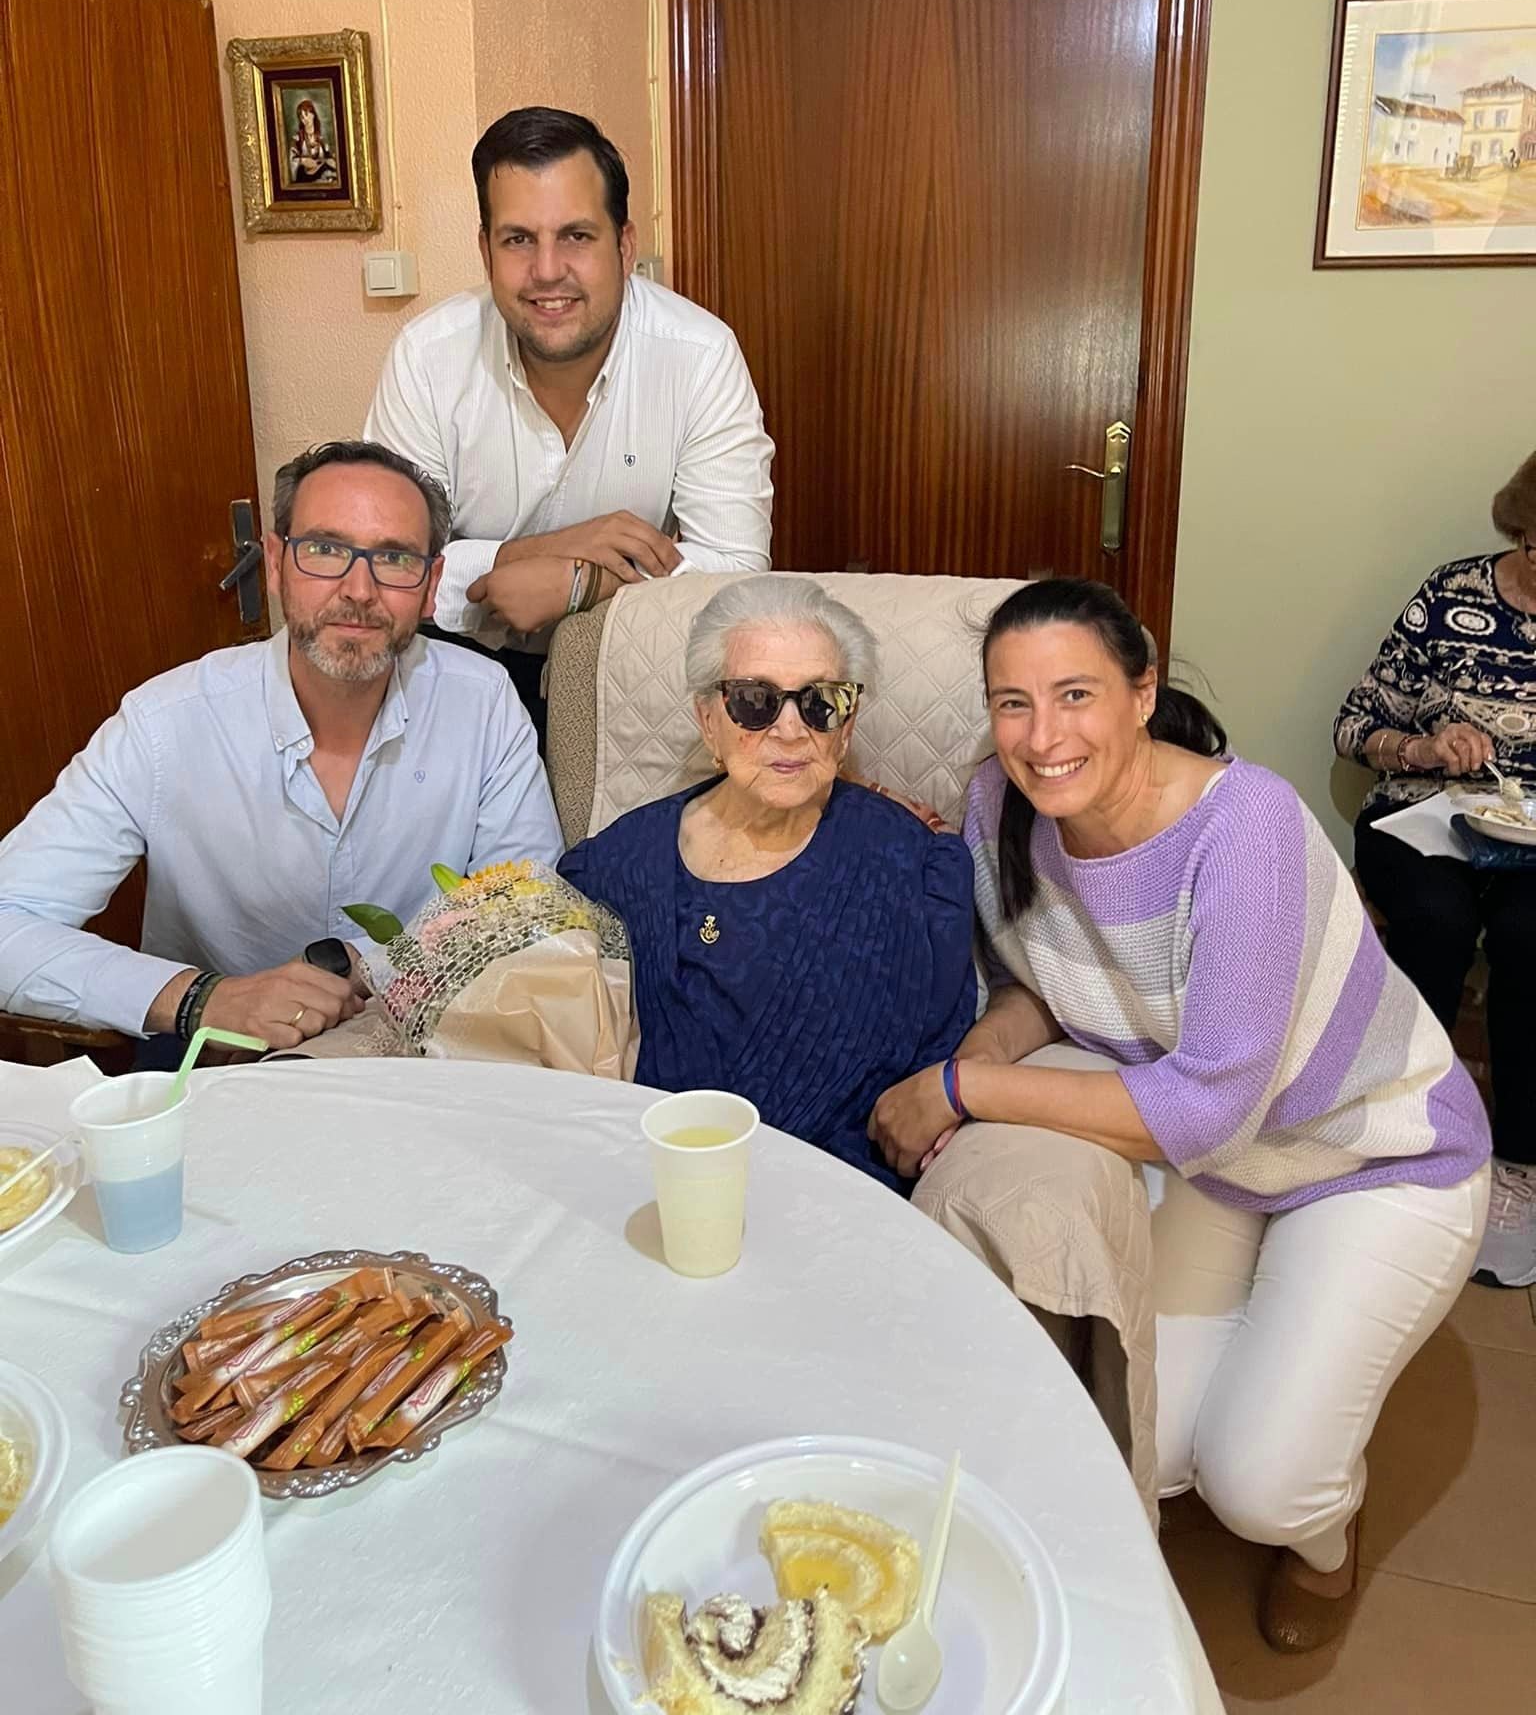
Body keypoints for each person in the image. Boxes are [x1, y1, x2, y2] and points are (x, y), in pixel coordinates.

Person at [870, 579, 1490, 1653]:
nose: (1042, 734)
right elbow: (1039, 979)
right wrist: (981, 1047)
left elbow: (1202, 1104)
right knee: (1141, 1448)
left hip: (1376, 1153)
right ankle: (1291, 1339)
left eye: (1075, 693)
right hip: (1227, 1161)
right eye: (1011, 702)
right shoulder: (999, 806)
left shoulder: (1243, 826)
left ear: (1143, 691)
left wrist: (962, 1089)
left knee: (1260, 1486)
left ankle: (1328, 1533)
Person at [0, 440, 562, 1061]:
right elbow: (7, 919)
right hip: (212, 1062)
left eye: (396, 559)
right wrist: (201, 998)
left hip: (421, 1060)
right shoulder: (164, 723)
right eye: (324, 550)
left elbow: (531, 922)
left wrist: (380, 973)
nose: (358, 589)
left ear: (431, 587)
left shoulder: (482, 703)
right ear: (273, 564)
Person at [364, 106, 774, 740]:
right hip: (454, 670)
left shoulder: (699, 355)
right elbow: (388, 566)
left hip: (637, 666)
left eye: (576, 236)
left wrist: (586, 583)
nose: (547, 270)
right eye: (518, 239)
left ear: (625, 245)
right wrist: (533, 553)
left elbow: (737, 571)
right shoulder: (428, 356)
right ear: (485, 250)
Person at [559, 576, 976, 1189]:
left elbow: (922, 1090)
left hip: (831, 1199)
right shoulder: (619, 863)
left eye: (820, 703)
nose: (789, 731)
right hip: (633, 1180)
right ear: (708, 720)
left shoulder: (913, 869)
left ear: (848, 723)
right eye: (754, 702)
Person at [1335, 449, 1536, 1290]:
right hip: (1425, 808)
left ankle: (1517, 1169)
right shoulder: (1451, 593)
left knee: (1531, 937)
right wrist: (1421, 745)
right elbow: (1352, 726)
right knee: (1437, 921)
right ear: (1520, 526)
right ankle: (1403, 1124)